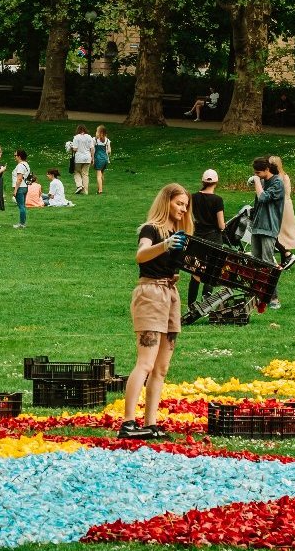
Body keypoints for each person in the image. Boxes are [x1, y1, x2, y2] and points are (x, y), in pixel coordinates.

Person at [118, 183, 190, 442]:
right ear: (166, 202)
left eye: (185, 205)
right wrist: (166, 244)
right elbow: (141, 255)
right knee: (146, 362)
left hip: (170, 295)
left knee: (161, 368)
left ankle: (151, 423)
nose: (182, 209)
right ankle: (128, 422)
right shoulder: (152, 229)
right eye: (178, 203)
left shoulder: (179, 233)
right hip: (150, 294)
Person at [247, 157, 284, 309]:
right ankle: (257, 294)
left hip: (269, 228)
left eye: (258, 172)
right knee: (255, 262)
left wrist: (256, 181)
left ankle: (274, 298)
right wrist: (255, 180)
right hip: (257, 227)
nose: (256, 175)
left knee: (268, 263)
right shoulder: (261, 181)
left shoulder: (277, 183)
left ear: (267, 170)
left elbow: (263, 197)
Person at [187, 170, 226, 307]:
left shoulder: (193, 197)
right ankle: (206, 302)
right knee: (211, 270)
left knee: (195, 271)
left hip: (197, 238)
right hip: (213, 238)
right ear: (216, 182)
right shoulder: (217, 200)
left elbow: (189, 217)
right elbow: (221, 225)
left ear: (202, 181)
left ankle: (191, 304)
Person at [268, 155, 295, 271]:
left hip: (282, 206)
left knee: (278, 232)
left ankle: (286, 255)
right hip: (282, 205)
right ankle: (285, 259)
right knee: (280, 233)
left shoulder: (281, 178)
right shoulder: (279, 177)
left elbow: (285, 193)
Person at [66, 126, 95, 195]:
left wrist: (70, 147)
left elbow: (75, 149)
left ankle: (79, 186)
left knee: (77, 172)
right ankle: (85, 191)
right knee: (85, 174)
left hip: (79, 158)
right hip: (87, 157)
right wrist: (92, 158)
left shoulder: (76, 137)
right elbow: (92, 148)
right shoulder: (89, 137)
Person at [11, 149, 31, 228]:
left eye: (15, 155)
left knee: (21, 206)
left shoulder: (20, 166)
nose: (14, 157)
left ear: (19, 156)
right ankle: (23, 222)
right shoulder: (26, 164)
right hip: (25, 187)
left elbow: (19, 179)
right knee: (23, 206)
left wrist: (15, 190)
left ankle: (21, 223)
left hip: (20, 187)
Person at [92, 126, 111, 194]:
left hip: (98, 158)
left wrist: (92, 158)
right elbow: (109, 151)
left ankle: (100, 190)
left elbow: (92, 149)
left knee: (98, 175)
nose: (96, 133)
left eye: (97, 131)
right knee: (102, 174)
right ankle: (100, 188)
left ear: (100, 133)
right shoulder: (107, 140)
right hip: (105, 158)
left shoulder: (95, 140)